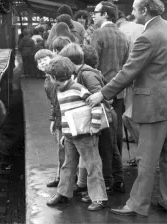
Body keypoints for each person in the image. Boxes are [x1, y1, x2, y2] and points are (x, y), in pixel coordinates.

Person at [86, 0, 167, 217]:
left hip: (154, 106)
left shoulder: (148, 37)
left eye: (135, 9)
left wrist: (103, 94)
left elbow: (129, 71)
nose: (132, 13)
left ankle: (137, 205)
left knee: (145, 158)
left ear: (145, 10)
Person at [59, 43, 124, 197]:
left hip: (104, 117)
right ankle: (116, 182)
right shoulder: (84, 72)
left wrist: (94, 123)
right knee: (109, 150)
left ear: (69, 61)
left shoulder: (87, 74)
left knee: (105, 152)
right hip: (103, 116)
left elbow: (98, 98)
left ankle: (108, 184)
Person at [46, 56, 108, 211]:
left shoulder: (78, 89)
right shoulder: (60, 90)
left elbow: (96, 105)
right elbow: (66, 113)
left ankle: (99, 198)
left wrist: (94, 126)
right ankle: (63, 193)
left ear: (55, 78)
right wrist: (65, 135)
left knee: (92, 165)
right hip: (70, 136)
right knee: (68, 165)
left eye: (50, 77)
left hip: (85, 135)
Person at [91, 1, 129, 155]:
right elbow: (126, 64)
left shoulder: (98, 33)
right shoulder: (122, 35)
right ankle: (117, 161)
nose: (93, 15)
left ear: (105, 14)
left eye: (96, 12)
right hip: (119, 89)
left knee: (103, 126)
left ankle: (105, 165)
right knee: (117, 125)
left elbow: (93, 62)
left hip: (100, 89)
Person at [34, 49, 63, 187]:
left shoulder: (56, 77)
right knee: (61, 148)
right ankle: (61, 177)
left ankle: (62, 179)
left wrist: (57, 119)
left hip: (63, 117)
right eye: (39, 61)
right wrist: (52, 119)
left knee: (63, 149)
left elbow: (59, 101)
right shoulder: (48, 79)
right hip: (58, 117)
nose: (42, 63)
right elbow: (53, 102)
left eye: (44, 59)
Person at [116, 10, 144, 144]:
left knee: (129, 115)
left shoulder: (121, 31)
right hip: (145, 77)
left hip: (131, 76)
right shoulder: (142, 27)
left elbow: (124, 57)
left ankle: (141, 147)